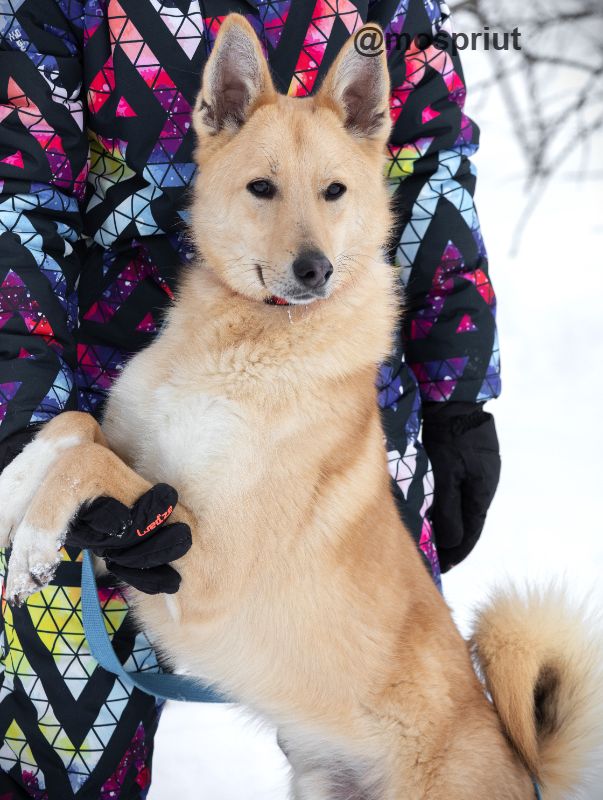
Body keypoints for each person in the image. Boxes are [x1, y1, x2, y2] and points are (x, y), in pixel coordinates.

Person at [0, 1, 501, 797]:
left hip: (342, 398)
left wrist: (458, 393)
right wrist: (22, 418)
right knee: (57, 760)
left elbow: (429, 162)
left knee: (396, 725)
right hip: (101, 396)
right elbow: (16, 194)